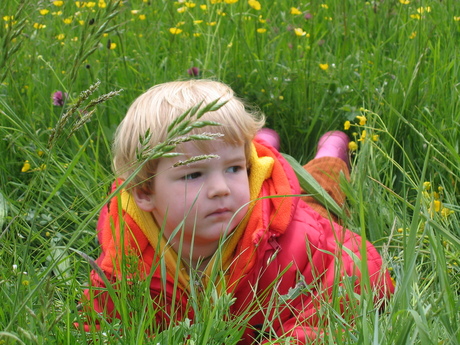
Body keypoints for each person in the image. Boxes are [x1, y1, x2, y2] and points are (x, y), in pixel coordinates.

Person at [80, 79, 394, 343]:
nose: (221, 188)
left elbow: (356, 276)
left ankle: (332, 150)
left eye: (234, 169)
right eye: (194, 174)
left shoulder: (298, 238)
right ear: (144, 192)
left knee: (322, 193)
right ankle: (257, 143)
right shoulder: (125, 260)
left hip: (294, 215)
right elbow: (98, 325)